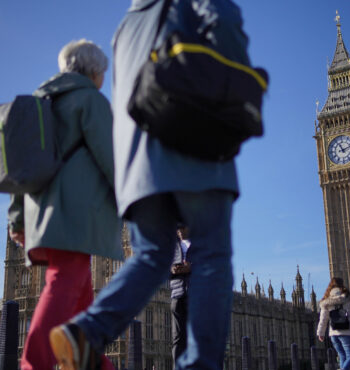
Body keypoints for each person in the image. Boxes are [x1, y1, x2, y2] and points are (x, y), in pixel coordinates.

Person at [49, 0, 247, 368]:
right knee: (212, 256)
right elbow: (227, 33)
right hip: (193, 145)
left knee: (150, 256)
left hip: (138, 165)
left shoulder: (127, 23)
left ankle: (87, 331)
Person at [8, 39, 123, 370]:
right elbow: (113, 160)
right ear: (94, 71)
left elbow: (21, 167)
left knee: (82, 305)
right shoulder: (91, 101)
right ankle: (34, 364)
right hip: (75, 218)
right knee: (63, 285)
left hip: (42, 215)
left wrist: (17, 218)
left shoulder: (37, 102)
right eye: (104, 71)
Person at [317, 277, 350, 370]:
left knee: (342, 356)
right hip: (347, 332)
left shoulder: (325, 301)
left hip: (334, 334)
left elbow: (323, 319)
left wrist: (321, 333)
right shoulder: (348, 298)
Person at [170, 226, 192, 364]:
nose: (179, 230)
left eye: (181, 227)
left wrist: (191, 267)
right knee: (177, 338)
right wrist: (171, 269)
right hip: (177, 294)